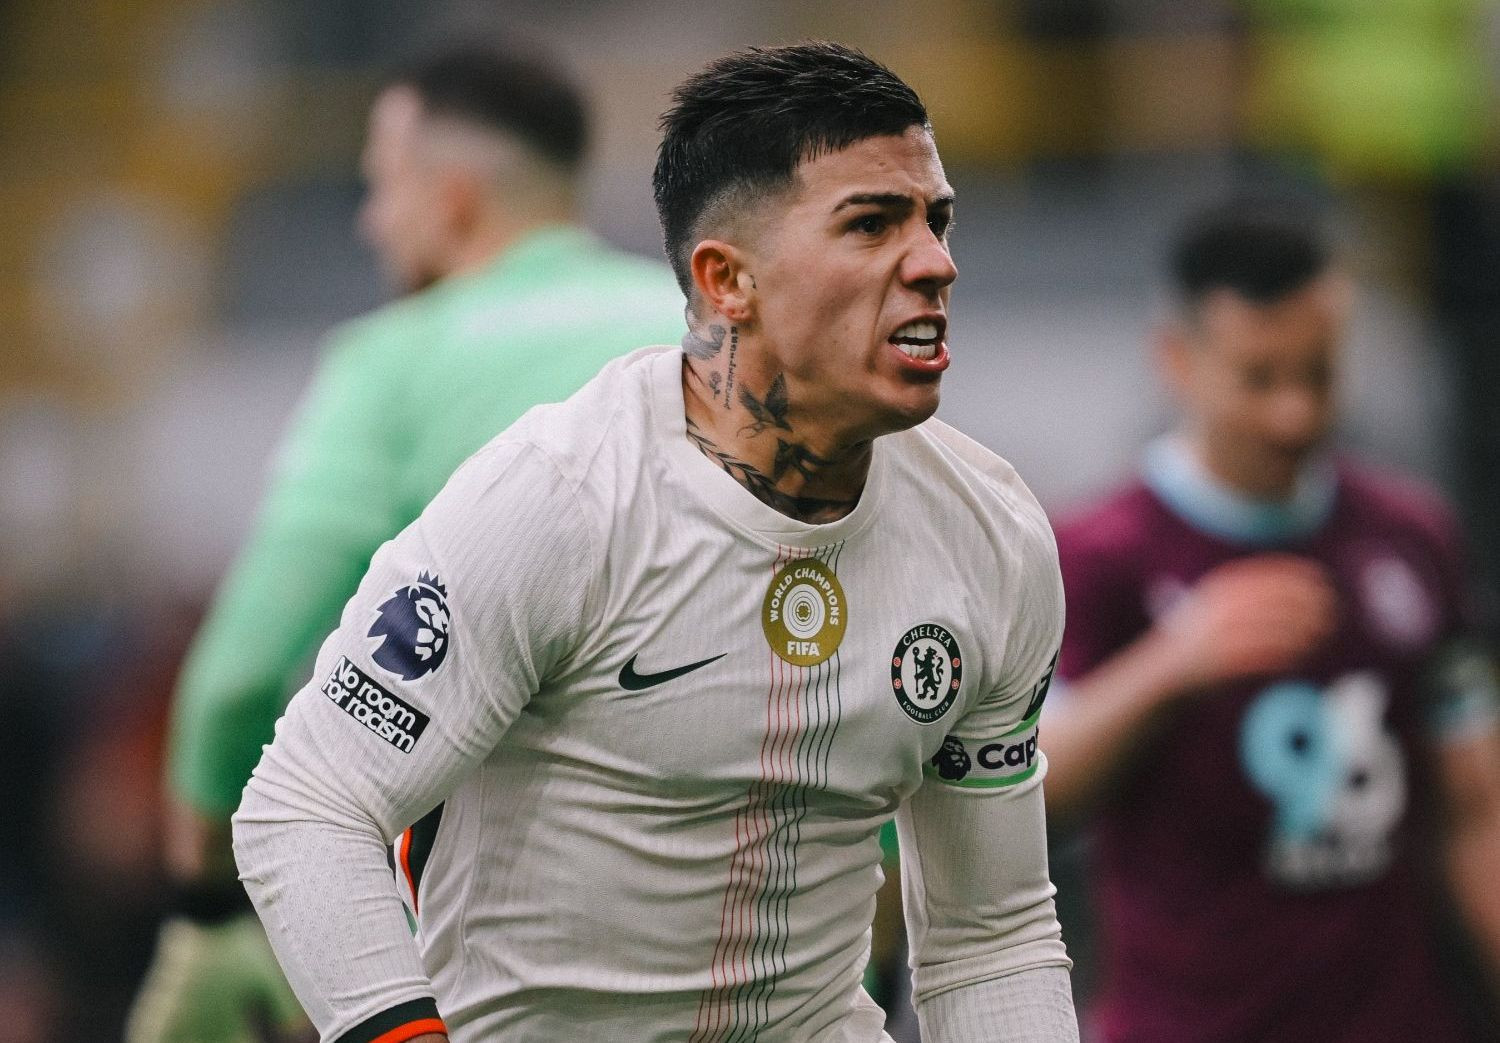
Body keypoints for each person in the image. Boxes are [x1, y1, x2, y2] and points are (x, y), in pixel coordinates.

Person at [231, 41, 1079, 1043]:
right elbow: (307, 802)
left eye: (936, 219)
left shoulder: (991, 533)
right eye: (872, 223)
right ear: (728, 280)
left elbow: (992, 930)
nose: (935, 262)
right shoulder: (557, 498)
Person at [126, 39, 685, 1043]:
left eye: (382, 185)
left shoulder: (393, 363)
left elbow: (239, 678)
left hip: (513, 964)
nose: (370, 221)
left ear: (454, 199)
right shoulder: (699, 327)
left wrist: (206, 915)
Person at [1044, 201, 1500, 1041]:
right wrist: (1174, 662)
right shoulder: (1101, 553)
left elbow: (1477, 809)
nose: (1294, 411)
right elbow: (1030, 789)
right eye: (1259, 378)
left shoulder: (1413, 535)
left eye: (1318, 374)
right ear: (1177, 359)